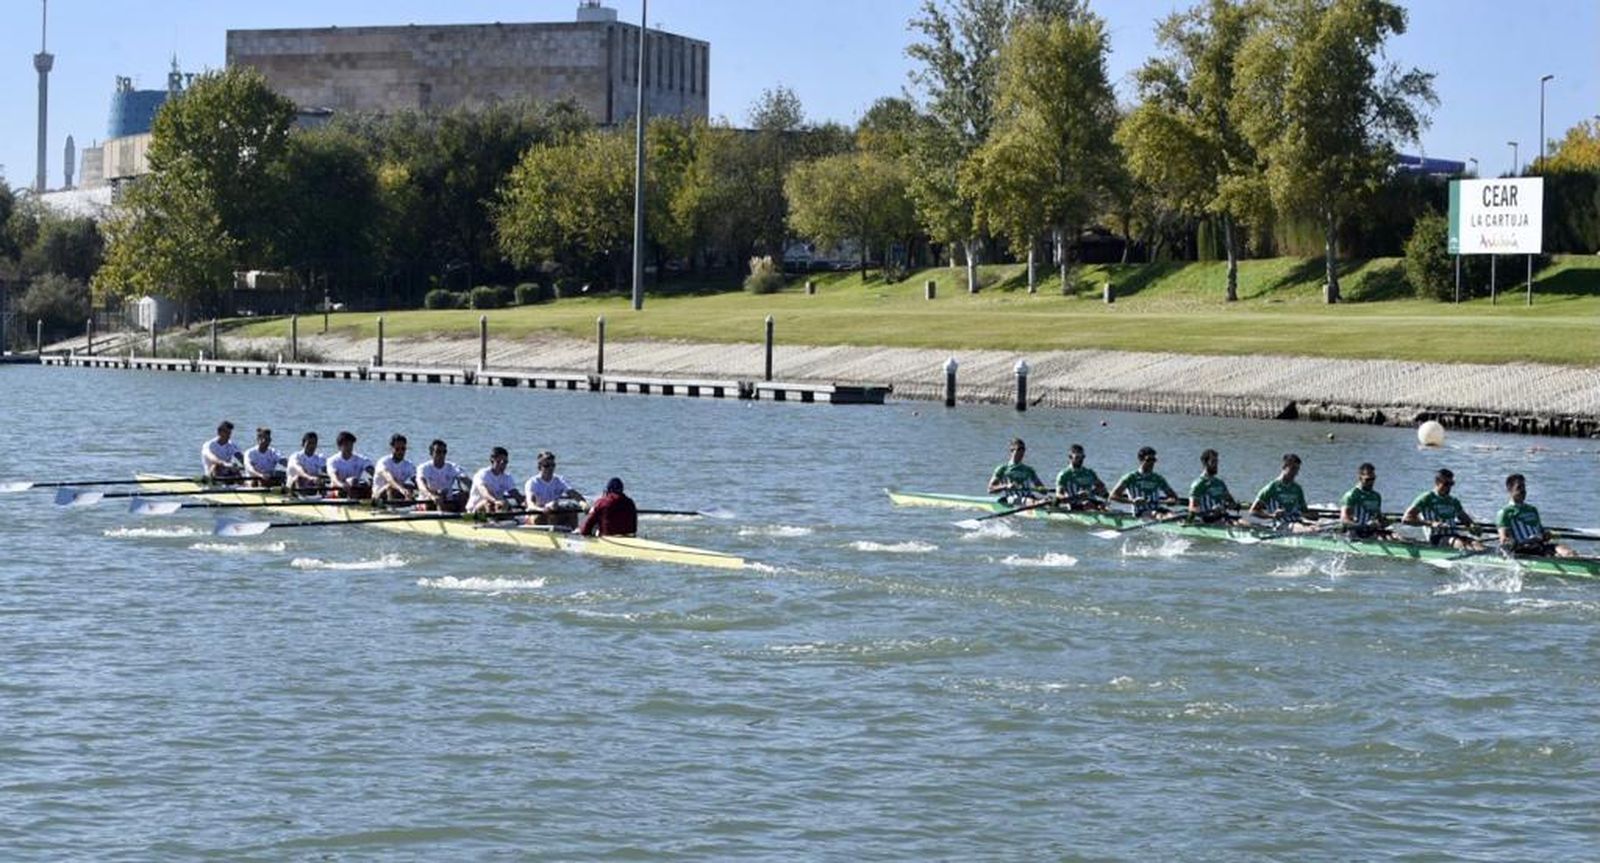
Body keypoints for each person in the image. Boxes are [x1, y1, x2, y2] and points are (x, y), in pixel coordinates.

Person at [1496, 473, 1576, 557]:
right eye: (1519, 488)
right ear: (1510, 489)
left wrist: (1546, 534)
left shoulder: (1532, 509)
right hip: (1522, 550)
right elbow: (1504, 540)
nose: (1523, 491)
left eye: (1524, 487)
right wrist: (1515, 542)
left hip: (1538, 546)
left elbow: (1540, 531)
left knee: (1568, 552)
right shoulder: (1505, 512)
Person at [1402, 468, 1480, 550]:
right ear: (1437, 482)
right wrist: (1431, 523)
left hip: (1454, 535)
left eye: (1451, 484)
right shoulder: (1426, 498)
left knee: (1476, 544)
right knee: (1459, 543)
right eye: (1446, 484)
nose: (1449, 487)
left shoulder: (1453, 501)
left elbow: (1466, 520)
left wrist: (1473, 527)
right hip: (1436, 537)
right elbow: (1406, 519)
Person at [1250, 453, 1317, 532]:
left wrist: (1312, 516)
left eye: (1297, 470)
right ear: (1284, 467)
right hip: (1280, 524)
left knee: (1319, 528)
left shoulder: (1298, 489)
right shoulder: (1271, 488)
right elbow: (1253, 511)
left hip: (1297, 522)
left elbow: (1304, 512)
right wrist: (1272, 516)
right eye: (1293, 469)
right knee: (1312, 530)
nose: (1295, 473)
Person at [1109, 446, 1180, 517]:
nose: (1152, 463)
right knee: (1158, 515)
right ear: (1141, 460)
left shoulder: (1158, 478)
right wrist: (1132, 501)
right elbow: (1113, 496)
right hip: (1140, 512)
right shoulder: (1131, 477)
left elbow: (1174, 497)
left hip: (1157, 509)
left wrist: (1171, 501)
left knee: (1174, 516)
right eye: (1149, 460)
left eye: (1154, 460)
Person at [523, 450, 587, 528]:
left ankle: (575, 533)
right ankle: (553, 533)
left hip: (553, 512)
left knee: (571, 507)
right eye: (547, 465)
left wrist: (583, 503)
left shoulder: (559, 480)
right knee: (553, 506)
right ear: (539, 467)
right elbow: (530, 505)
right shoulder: (532, 482)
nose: (550, 468)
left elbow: (572, 493)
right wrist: (542, 509)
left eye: (553, 465)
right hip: (536, 515)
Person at [1339, 462, 1391, 540]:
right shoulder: (1352, 495)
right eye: (1368, 479)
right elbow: (1344, 520)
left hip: (1370, 532)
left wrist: (1386, 521)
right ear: (1360, 478)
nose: (1371, 482)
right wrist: (1363, 526)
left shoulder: (1376, 496)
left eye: (1373, 479)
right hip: (1353, 533)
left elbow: (1379, 518)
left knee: (1396, 536)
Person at [1187, 448, 1240, 523]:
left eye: (1217, 462)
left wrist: (1234, 505)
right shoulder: (1198, 484)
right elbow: (1192, 508)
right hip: (1207, 520)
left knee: (1246, 523)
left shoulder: (1219, 483)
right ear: (1205, 463)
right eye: (1213, 462)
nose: (1216, 465)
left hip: (1223, 517)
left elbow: (1230, 501)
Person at [467, 446, 524, 514]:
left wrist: (524, 502)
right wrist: (495, 501)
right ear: (492, 460)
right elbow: (484, 492)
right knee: (488, 503)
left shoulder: (507, 477)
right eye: (499, 462)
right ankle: (492, 522)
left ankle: (502, 520)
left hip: (497, 507)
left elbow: (514, 493)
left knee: (505, 503)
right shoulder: (482, 474)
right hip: (475, 509)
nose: (502, 465)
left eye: (505, 462)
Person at [416, 439, 467, 513]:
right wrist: (431, 495)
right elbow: (421, 486)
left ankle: (466, 518)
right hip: (428, 501)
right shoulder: (423, 468)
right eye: (438, 452)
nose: (442, 455)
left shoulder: (453, 467)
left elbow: (465, 480)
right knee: (438, 499)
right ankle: (444, 519)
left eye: (444, 452)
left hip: (447, 501)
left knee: (464, 495)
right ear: (431, 453)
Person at [1054, 444, 1108, 510]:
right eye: (1077, 457)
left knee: (1104, 505)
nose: (1081, 460)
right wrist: (1078, 496)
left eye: (1082, 457)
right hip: (1074, 503)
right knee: (1088, 504)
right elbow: (1059, 496)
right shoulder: (1064, 475)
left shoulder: (1090, 472)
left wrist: (1098, 491)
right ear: (1070, 457)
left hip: (1091, 501)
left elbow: (1101, 487)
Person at [325, 431, 374, 500]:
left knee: (364, 483)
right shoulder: (332, 460)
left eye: (351, 444)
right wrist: (342, 485)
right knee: (352, 481)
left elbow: (372, 472)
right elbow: (334, 478)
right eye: (346, 445)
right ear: (339, 446)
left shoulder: (361, 459)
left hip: (354, 487)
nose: (349, 447)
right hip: (338, 489)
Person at [373, 433, 417, 503]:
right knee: (390, 486)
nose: (401, 452)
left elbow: (417, 481)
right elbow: (390, 479)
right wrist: (401, 489)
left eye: (403, 449)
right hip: (378, 495)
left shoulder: (409, 465)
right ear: (391, 448)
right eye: (397, 449)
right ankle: (392, 510)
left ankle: (409, 506)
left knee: (410, 486)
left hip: (398, 492)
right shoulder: (383, 462)